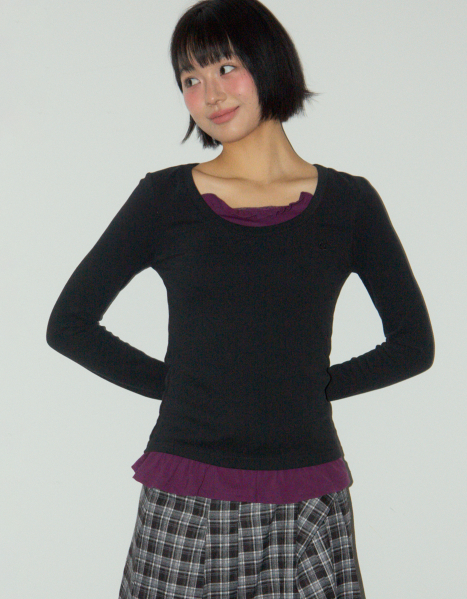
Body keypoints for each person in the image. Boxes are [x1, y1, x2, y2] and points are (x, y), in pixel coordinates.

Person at [46, 0, 435, 597]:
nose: (210, 94)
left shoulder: (350, 204)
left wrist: (309, 386)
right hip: (185, 492)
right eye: (190, 79)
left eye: (226, 67)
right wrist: (177, 384)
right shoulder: (164, 198)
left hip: (305, 493)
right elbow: (68, 324)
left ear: (269, 63)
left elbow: (412, 345)